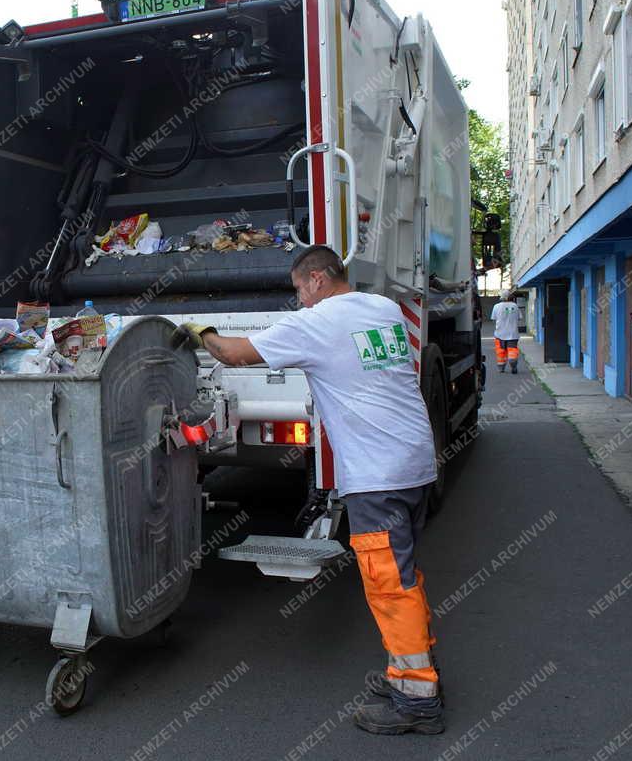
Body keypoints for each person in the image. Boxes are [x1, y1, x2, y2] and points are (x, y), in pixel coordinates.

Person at [171, 244, 444, 735]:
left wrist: (201, 331)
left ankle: (418, 699)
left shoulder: (318, 322)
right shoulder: (382, 309)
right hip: (415, 463)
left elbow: (233, 355)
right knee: (402, 576)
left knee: (388, 583)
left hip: (377, 475)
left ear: (317, 279)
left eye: (299, 290)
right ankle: (406, 672)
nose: (299, 300)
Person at [490, 290, 521, 373]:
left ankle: (501, 368)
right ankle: (513, 365)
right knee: (512, 351)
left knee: (500, 352)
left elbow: (493, 319)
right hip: (513, 334)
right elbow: (519, 318)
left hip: (499, 334)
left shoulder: (496, 306)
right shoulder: (515, 306)